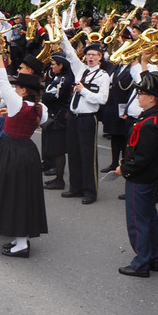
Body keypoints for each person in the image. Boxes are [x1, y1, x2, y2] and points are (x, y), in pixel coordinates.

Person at [0, 54, 49, 258]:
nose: (15, 89)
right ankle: (20, 239)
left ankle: (21, 244)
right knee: (23, 195)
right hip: (27, 151)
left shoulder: (17, 103)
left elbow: (2, 81)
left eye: (18, 87)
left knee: (14, 196)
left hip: (12, 152)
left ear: (23, 90)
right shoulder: (41, 108)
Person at [115, 71, 158, 277]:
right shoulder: (155, 116)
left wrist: (124, 169)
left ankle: (141, 263)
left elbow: (143, 157)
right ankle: (151, 257)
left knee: (138, 221)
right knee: (149, 218)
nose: (138, 96)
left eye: (141, 93)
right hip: (148, 177)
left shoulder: (150, 122)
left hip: (140, 178)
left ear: (152, 98)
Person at [59, 39, 110, 205]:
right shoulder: (81, 69)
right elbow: (70, 53)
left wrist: (83, 91)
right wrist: (59, 33)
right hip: (74, 117)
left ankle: (90, 191)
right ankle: (75, 187)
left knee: (88, 155)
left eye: (94, 55)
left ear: (100, 57)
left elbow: (102, 99)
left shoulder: (103, 76)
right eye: (88, 55)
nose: (91, 58)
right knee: (73, 153)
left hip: (88, 118)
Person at [42, 53, 74, 190]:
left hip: (59, 118)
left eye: (53, 64)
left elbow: (50, 96)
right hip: (55, 115)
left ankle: (59, 180)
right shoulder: (58, 77)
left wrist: (42, 96)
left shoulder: (64, 79)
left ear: (61, 66)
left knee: (59, 150)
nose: (51, 66)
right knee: (55, 149)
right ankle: (57, 178)